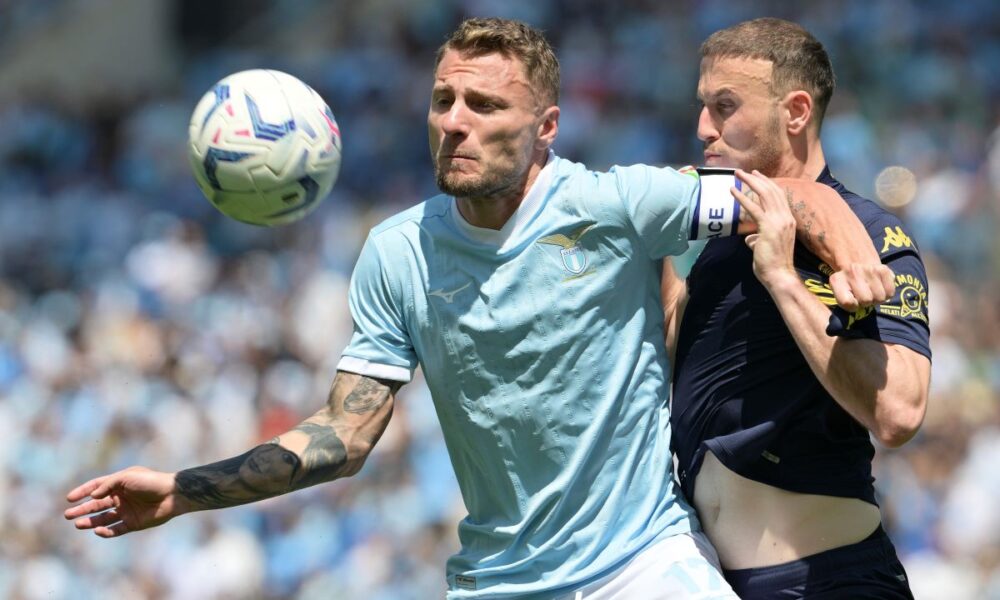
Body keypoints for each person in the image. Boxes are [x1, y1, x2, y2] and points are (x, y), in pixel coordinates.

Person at [66, 17, 892, 598]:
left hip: (644, 566)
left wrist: (857, 259)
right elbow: (344, 438)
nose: (454, 124)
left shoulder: (615, 205)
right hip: (499, 581)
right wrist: (183, 490)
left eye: (485, 106)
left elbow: (785, 197)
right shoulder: (398, 253)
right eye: (443, 101)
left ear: (546, 128)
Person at [664, 17, 932, 599]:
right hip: (712, 582)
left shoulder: (872, 234)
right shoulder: (714, 247)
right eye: (702, 106)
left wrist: (784, 281)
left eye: (725, 106)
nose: (703, 126)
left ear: (796, 112)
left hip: (833, 581)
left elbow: (900, 410)